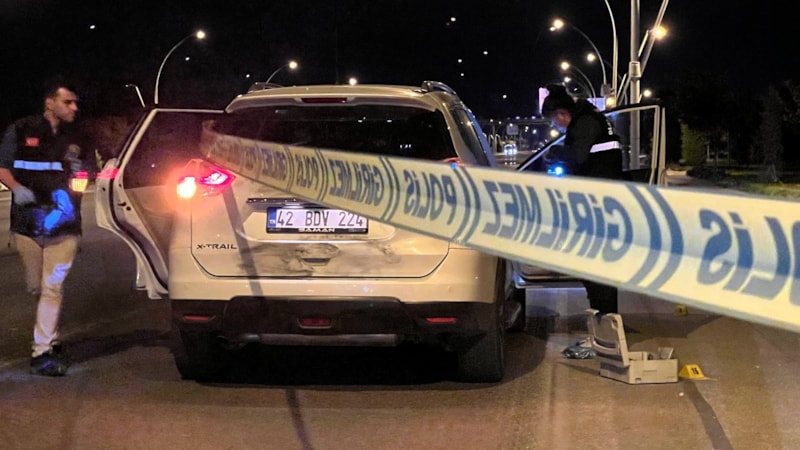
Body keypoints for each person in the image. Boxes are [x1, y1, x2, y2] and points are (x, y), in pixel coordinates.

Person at [0, 78, 88, 376]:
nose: (74, 107)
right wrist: (16, 188)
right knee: (37, 288)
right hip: (27, 223)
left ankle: (42, 353)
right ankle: (51, 336)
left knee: (52, 286)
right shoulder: (21, 129)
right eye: (67, 102)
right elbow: (2, 167)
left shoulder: (78, 136)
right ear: (50, 103)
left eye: (75, 102)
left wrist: (72, 194)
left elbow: (85, 173)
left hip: (63, 226)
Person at [540, 84, 625, 358]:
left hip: (599, 207)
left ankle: (604, 335)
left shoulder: (585, 124)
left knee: (596, 271)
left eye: (555, 121)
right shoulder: (591, 119)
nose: (557, 126)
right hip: (601, 203)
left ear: (562, 113)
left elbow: (578, 157)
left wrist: (553, 154)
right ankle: (604, 332)